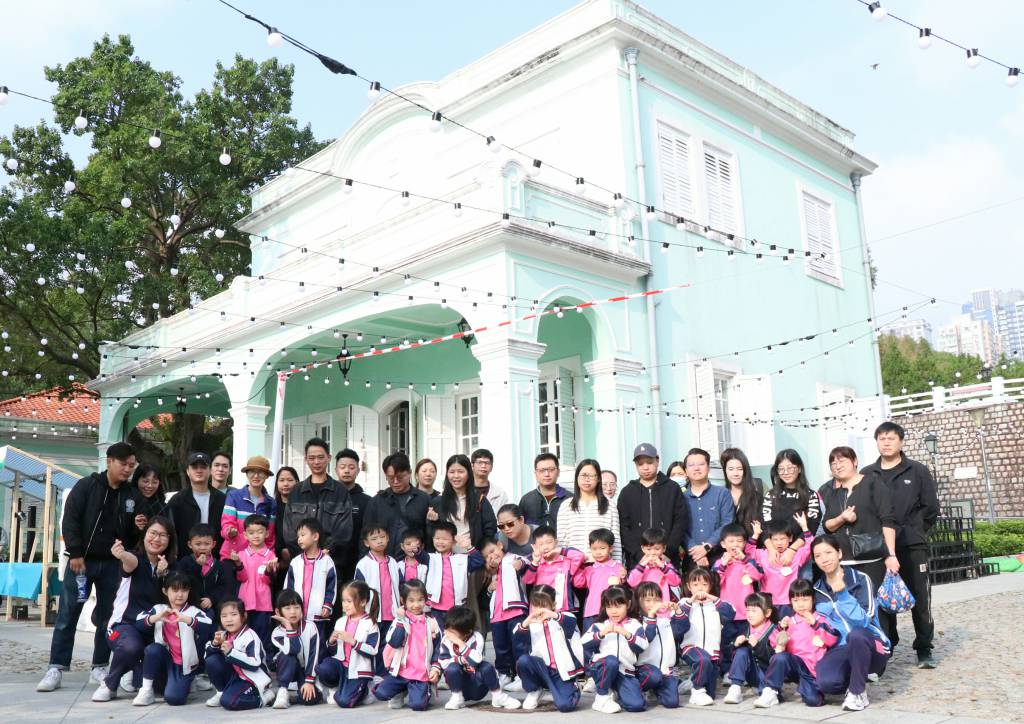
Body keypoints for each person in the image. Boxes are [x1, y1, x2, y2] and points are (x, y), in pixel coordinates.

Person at [38, 442, 140, 693]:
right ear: (109, 461)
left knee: (107, 617)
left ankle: (100, 665)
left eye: (131, 465)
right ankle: (56, 667)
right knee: (68, 615)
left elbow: (133, 534)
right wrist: (75, 552)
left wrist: (139, 527)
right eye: (124, 464)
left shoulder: (131, 495)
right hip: (81, 562)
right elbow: (70, 519)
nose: (128, 469)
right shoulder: (87, 486)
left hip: (113, 565)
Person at [861, 421, 939, 668]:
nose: (886, 443)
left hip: (911, 545)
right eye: (882, 438)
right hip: (880, 548)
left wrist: (915, 530)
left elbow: (931, 508)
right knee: (882, 597)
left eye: (891, 438)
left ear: (901, 441)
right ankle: (888, 643)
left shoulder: (917, 471)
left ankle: (924, 647)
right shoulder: (868, 473)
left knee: (920, 597)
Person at [91, 516, 175, 702]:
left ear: (170, 540)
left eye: (163, 535)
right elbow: (130, 562)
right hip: (124, 625)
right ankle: (110, 684)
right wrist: (121, 554)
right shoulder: (136, 558)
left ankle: (133, 671)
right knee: (131, 647)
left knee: (162, 687)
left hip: (153, 630)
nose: (157, 539)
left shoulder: (170, 566)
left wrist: (163, 574)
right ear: (144, 535)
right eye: (153, 533)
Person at [811, 534, 891, 712]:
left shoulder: (860, 579)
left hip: (871, 644)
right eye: (818, 555)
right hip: (841, 648)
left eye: (828, 552)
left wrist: (843, 594)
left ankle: (857, 692)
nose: (824, 559)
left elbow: (864, 620)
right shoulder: (817, 590)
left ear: (839, 553)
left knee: (856, 635)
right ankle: (854, 678)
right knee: (826, 682)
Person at [819, 446, 899, 589]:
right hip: (843, 562)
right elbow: (827, 525)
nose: (837, 466)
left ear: (855, 461)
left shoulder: (873, 484)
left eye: (842, 461)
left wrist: (891, 555)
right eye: (833, 464)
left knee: (874, 601)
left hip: (872, 559)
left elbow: (887, 521)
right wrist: (841, 518)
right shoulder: (833, 493)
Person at [130, 571, 213, 707]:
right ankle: (146, 690)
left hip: (183, 666)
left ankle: (186, 681)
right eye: (175, 590)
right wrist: (158, 617)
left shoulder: (193, 611)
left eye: (184, 590)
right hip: (163, 661)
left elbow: (207, 625)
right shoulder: (159, 609)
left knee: (174, 699)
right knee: (153, 649)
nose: (180, 594)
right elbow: (139, 622)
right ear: (165, 591)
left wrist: (184, 618)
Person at [759, 579, 839, 708]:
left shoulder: (820, 619)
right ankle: (771, 690)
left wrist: (815, 624)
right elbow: (773, 643)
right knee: (780, 657)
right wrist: (781, 628)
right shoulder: (789, 621)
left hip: (813, 671)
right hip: (795, 665)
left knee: (813, 701)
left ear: (813, 599)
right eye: (796, 600)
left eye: (805, 599)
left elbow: (832, 639)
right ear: (790, 601)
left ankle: (805, 688)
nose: (801, 605)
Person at [282, 438, 354, 574]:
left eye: (320, 457)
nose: (316, 462)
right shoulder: (296, 491)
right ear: (306, 459)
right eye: (312, 458)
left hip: (331, 564)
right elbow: (289, 531)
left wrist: (324, 553)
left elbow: (344, 530)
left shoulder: (340, 492)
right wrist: (305, 556)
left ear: (329, 458)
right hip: (301, 565)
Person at [617, 443, 689, 569]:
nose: (645, 467)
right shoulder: (627, 492)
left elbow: (680, 522)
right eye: (640, 464)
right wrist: (639, 555)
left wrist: (668, 552)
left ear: (657, 461)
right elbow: (624, 527)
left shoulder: (672, 488)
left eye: (649, 462)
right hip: (637, 563)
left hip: (667, 560)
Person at [514, 585, 584, 712]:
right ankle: (535, 690)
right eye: (535, 605)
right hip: (541, 669)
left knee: (565, 706)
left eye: (543, 606)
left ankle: (573, 688)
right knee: (523, 661)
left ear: (553, 605)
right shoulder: (530, 624)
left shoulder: (562, 617)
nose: (538, 610)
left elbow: (571, 623)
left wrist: (553, 615)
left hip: (561, 673)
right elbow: (517, 638)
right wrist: (527, 621)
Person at [372, 580, 441, 711]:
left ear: (425, 600)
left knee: (418, 705)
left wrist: (435, 668)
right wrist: (401, 620)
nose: (416, 605)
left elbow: (438, 648)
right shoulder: (399, 620)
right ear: (403, 601)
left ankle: (426, 688)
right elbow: (395, 642)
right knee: (381, 693)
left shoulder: (431, 622)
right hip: (401, 672)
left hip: (420, 673)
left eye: (420, 600)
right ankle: (400, 691)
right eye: (411, 600)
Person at [436, 605, 522, 710]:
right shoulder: (446, 640)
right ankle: (457, 698)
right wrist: (459, 660)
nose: (448, 634)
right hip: (460, 686)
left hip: (478, 686)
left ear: (468, 632)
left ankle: (498, 696)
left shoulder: (477, 637)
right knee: (452, 668)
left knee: (486, 666)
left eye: (452, 632)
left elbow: (476, 660)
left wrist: (459, 643)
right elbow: (443, 662)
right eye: (447, 630)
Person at [581, 586, 648, 713]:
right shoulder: (599, 625)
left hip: (624, 672)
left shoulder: (635, 625)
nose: (613, 611)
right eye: (609, 607)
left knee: (637, 705)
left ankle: (616, 693)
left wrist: (627, 634)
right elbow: (584, 643)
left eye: (618, 606)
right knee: (611, 661)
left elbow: (643, 646)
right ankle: (601, 697)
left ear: (628, 604)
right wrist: (601, 633)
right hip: (604, 668)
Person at [317, 580, 381, 708]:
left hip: (358, 671)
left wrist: (353, 641)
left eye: (349, 601)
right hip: (342, 666)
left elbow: (373, 650)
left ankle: (366, 690)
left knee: (345, 702)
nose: (345, 605)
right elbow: (333, 651)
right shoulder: (340, 621)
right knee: (323, 668)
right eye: (343, 601)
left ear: (363, 602)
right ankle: (336, 687)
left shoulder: (370, 623)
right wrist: (331, 642)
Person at [678, 566, 735, 706]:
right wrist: (691, 601)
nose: (700, 588)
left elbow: (730, 614)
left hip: (712, 651)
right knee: (702, 660)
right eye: (695, 584)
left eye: (704, 584)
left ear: (710, 586)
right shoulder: (684, 602)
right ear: (689, 586)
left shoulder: (716, 604)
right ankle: (697, 691)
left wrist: (711, 598)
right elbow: (679, 618)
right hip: (691, 647)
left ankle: (692, 682)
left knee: (711, 694)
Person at [204, 598, 273, 709]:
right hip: (235, 676)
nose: (229, 619)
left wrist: (231, 652)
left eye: (234, 614)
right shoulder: (223, 635)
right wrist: (215, 644)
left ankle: (263, 699)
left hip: (251, 679)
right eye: (224, 616)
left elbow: (255, 664)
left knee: (229, 702)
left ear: (244, 616)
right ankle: (221, 692)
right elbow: (207, 656)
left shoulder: (250, 636)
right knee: (212, 660)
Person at [362, 451, 431, 559]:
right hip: (385, 563)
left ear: (409, 473)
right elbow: (365, 535)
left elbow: (431, 536)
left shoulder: (424, 499)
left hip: (416, 562)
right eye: (390, 477)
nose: (395, 481)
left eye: (400, 477)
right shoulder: (377, 502)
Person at [481, 538, 529, 689]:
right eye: (487, 555)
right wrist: (490, 588)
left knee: (519, 645)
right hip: (497, 614)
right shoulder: (491, 571)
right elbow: (489, 593)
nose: (492, 556)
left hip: (516, 610)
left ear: (500, 545)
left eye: (492, 551)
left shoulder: (513, 558)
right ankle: (504, 673)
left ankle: (522, 676)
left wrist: (519, 564)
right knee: (500, 646)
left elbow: (525, 564)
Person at [354, 525, 401, 675]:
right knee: (374, 644)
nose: (379, 541)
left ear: (388, 538)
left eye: (382, 537)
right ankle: (375, 675)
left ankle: (386, 673)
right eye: (374, 539)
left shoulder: (393, 562)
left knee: (390, 644)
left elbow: (400, 585)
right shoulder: (363, 564)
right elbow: (358, 591)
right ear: (366, 543)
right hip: (374, 613)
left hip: (392, 613)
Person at [427, 453, 497, 552]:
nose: (456, 476)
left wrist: (480, 553)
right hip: (446, 557)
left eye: (460, 471)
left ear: (468, 473)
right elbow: (431, 535)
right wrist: (433, 522)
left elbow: (490, 530)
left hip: (472, 556)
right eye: (452, 472)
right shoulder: (438, 502)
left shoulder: (480, 500)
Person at [634, 581, 688, 709]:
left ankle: (655, 690)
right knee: (653, 676)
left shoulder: (665, 621)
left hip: (665, 671)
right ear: (638, 601)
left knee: (672, 702)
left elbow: (683, 627)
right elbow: (647, 637)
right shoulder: (636, 623)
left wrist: (677, 609)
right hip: (644, 670)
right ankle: (635, 690)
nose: (653, 604)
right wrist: (651, 616)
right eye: (648, 600)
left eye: (657, 600)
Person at [722, 592, 781, 708]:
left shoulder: (774, 630)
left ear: (767, 613)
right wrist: (735, 644)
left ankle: (770, 692)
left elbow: (775, 660)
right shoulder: (746, 628)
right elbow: (730, 654)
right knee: (742, 651)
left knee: (766, 690)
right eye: (748, 610)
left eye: (754, 611)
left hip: (768, 677)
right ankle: (735, 688)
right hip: (752, 675)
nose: (749, 614)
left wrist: (758, 646)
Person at [748, 515, 814, 618]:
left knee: (788, 626)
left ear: (790, 538)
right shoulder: (764, 554)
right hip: (768, 602)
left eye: (783, 539)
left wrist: (804, 527)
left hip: (789, 602)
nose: (779, 543)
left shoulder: (796, 555)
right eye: (775, 539)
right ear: (770, 540)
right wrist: (756, 534)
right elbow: (749, 551)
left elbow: (811, 546)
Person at [557, 458, 622, 562]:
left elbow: (616, 541)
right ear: (577, 477)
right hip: (573, 566)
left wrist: (617, 566)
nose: (587, 480)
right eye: (583, 475)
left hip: (601, 566)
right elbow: (561, 541)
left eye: (591, 476)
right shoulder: (566, 505)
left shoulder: (609, 505)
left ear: (598, 479)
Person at [229, 514, 277, 654]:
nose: (256, 536)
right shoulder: (241, 554)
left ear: (267, 533)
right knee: (244, 632)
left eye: (260, 532)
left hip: (263, 602)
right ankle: (243, 658)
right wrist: (237, 563)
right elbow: (242, 577)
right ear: (245, 535)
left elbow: (267, 580)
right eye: (251, 532)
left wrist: (269, 569)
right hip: (245, 601)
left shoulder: (270, 555)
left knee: (262, 633)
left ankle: (264, 659)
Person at [681, 448, 735, 569]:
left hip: (720, 558)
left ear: (708, 468)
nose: (696, 468)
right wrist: (696, 552)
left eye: (701, 464)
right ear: (686, 471)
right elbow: (679, 528)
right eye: (691, 465)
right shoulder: (681, 498)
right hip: (692, 559)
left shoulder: (722, 493)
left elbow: (727, 522)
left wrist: (707, 546)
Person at [285, 518, 337, 643]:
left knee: (317, 645)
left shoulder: (327, 561)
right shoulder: (295, 562)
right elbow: (288, 587)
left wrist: (327, 605)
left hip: (317, 615)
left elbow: (332, 586)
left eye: (303, 535)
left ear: (315, 536)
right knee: (298, 644)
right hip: (297, 616)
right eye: (298, 536)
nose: (299, 539)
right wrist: (288, 607)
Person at [423, 522, 484, 627]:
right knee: (438, 634)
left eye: (445, 539)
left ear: (454, 541)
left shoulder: (462, 559)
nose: (440, 542)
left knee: (454, 632)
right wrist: (415, 549)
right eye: (437, 538)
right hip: (435, 607)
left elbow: (479, 562)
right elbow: (419, 555)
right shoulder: (430, 558)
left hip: (456, 607)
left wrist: (469, 547)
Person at [270, 589, 323, 708]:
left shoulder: (310, 627)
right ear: (278, 612)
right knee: (288, 657)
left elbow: (314, 655)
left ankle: (293, 698)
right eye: (287, 608)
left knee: (309, 699)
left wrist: (309, 681)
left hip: (304, 670)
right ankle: (283, 690)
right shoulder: (277, 633)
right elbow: (293, 649)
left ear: (302, 609)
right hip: (286, 667)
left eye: (297, 607)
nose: (293, 612)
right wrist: (288, 627)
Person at [168, 452, 226, 560]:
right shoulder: (177, 500)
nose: (199, 470)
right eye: (194, 467)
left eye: (203, 467)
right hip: (186, 560)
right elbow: (171, 531)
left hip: (216, 560)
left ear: (210, 470)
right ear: (187, 471)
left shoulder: (222, 499)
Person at [220, 455, 277, 563]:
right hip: (232, 556)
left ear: (266, 476)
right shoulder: (234, 496)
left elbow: (270, 536)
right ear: (247, 474)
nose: (256, 476)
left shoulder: (271, 503)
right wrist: (229, 531)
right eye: (252, 472)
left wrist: (270, 557)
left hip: (258, 560)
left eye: (261, 472)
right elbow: (226, 524)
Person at [763, 449, 822, 546]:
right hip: (774, 551)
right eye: (781, 469)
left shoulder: (811, 495)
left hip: (800, 551)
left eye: (790, 468)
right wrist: (771, 549)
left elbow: (812, 527)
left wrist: (792, 550)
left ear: (799, 469)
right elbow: (764, 525)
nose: (786, 472)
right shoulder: (771, 495)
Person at [521, 525, 584, 613]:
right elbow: (527, 580)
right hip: (539, 609)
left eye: (549, 542)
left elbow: (580, 556)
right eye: (541, 544)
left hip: (562, 608)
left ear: (556, 542)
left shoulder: (566, 561)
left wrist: (560, 550)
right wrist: (535, 562)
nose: (545, 547)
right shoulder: (535, 563)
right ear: (535, 546)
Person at [173, 523, 230, 618]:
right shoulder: (185, 562)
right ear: (190, 544)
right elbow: (183, 581)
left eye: (207, 544)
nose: (203, 547)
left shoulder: (219, 566)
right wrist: (197, 566)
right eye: (198, 544)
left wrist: (212, 599)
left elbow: (222, 587)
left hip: (212, 608)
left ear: (213, 544)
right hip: (188, 607)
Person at [336, 448, 370, 584]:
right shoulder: (328, 498)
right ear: (336, 470)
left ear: (358, 470)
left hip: (358, 560)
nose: (346, 471)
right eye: (342, 467)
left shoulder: (367, 501)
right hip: (332, 559)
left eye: (351, 467)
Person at [626, 528, 681, 603]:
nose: (653, 552)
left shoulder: (666, 566)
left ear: (664, 548)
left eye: (657, 549)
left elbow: (676, 582)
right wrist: (642, 565)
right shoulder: (640, 567)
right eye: (649, 549)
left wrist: (663, 567)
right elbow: (631, 582)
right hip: (644, 607)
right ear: (643, 549)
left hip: (663, 606)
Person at [517, 452, 569, 529]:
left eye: (551, 470)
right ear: (535, 473)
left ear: (558, 472)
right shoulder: (526, 500)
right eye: (542, 470)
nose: (546, 474)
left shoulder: (570, 499)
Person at [720, 448, 764, 538]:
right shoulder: (719, 496)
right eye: (731, 469)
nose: (735, 473)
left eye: (740, 469)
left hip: (752, 544)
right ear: (725, 470)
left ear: (745, 471)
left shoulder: (757, 498)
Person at [271, 466, 300, 596]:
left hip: (297, 557)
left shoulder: (302, 507)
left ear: (297, 482)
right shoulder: (271, 506)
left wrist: (292, 550)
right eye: (282, 480)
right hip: (276, 560)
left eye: (290, 480)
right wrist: (279, 551)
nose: (286, 484)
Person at [471, 448, 510, 514]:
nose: (483, 466)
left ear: (491, 467)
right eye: (480, 462)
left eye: (487, 463)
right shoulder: (463, 491)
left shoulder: (500, 494)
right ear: (472, 465)